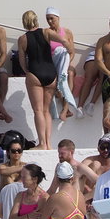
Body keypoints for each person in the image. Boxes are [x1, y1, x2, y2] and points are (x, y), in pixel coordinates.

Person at [17, 9, 70, 150]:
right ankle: (49, 143)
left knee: (38, 111)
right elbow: (64, 41)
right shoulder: (46, 32)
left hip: (35, 73)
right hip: (50, 73)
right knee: (46, 110)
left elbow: (22, 61)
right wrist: (69, 54)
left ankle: (42, 143)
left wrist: (27, 72)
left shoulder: (23, 39)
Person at [44, 7, 82, 120]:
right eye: (47, 19)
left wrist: (66, 63)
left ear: (58, 18)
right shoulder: (46, 33)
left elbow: (72, 51)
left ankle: (65, 109)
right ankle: (66, 109)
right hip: (53, 64)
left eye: (52, 18)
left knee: (69, 74)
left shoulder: (67, 32)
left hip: (65, 62)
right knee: (57, 80)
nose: (50, 21)